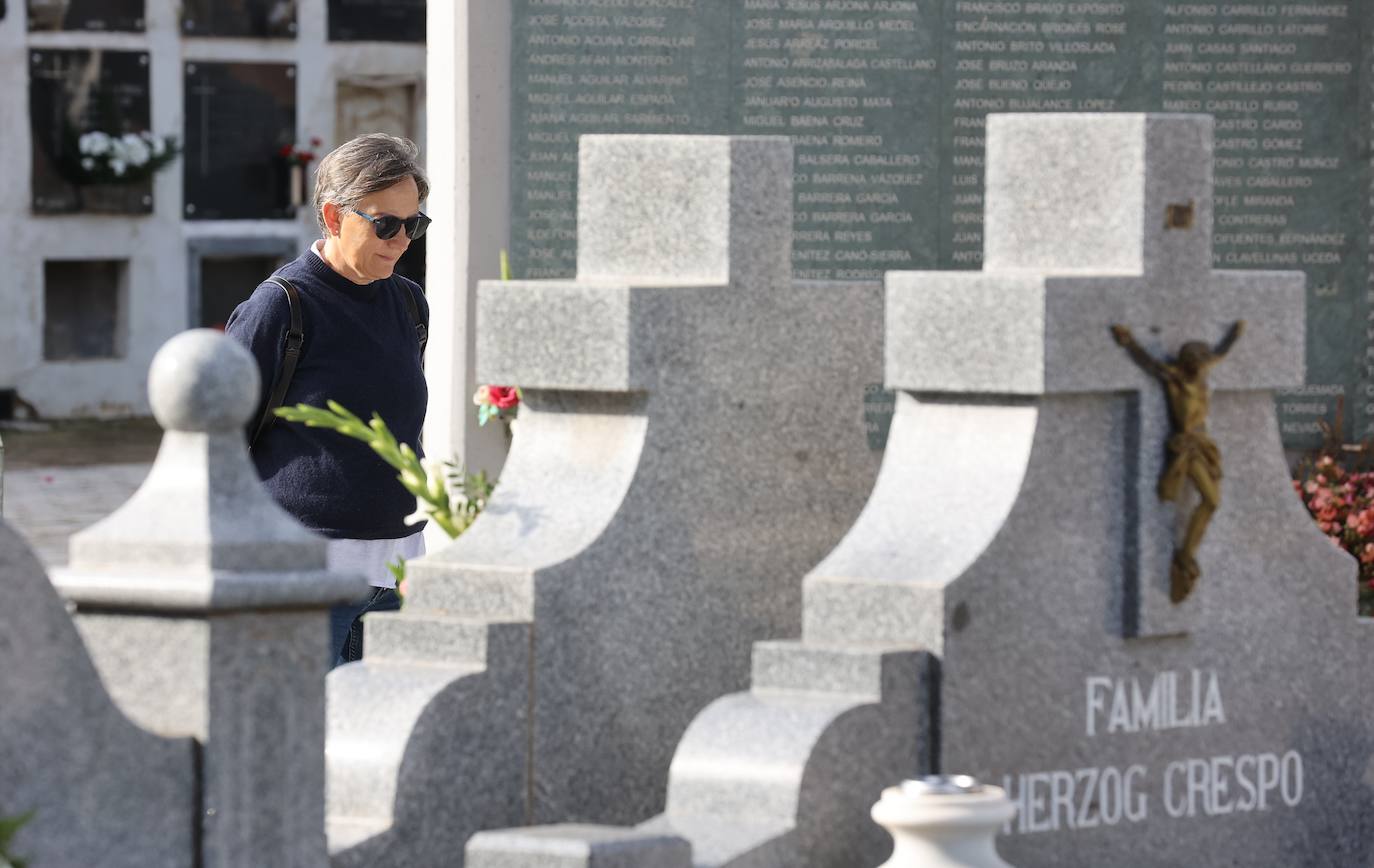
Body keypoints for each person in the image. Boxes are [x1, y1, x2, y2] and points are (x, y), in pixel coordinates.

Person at [225, 133, 432, 666]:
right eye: (385, 224)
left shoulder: (409, 303)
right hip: (308, 573)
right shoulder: (280, 306)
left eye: (414, 225)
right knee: (306, 716)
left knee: (385, 717)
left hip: (398, 569)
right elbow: (222, 439)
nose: (402, 240)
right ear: (335, 217)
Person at [1110, 320, 1245, 604]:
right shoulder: (1175, 379)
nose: (1204, 368)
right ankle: (1184, 558)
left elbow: (1221, 354)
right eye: (1199, 364)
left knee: (1212, 502)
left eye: (1204, 363)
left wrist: (1233, 336)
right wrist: (1129, 342)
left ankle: (1185, 555)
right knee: (1212, 500)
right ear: (1188, 364)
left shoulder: (1203, 372)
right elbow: (1149, 364)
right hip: (1186, 448)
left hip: (1203, 445)